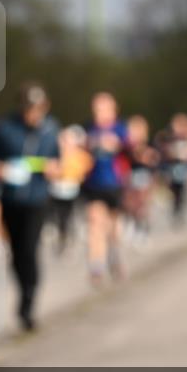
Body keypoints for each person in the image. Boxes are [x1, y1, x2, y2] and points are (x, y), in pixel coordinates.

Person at [0, 82, 60, 331]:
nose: (33, 114)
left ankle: (28, 302)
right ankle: (23, 291)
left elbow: (59, 162)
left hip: (38, 199)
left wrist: (53, 168)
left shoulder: (51, 130)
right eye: (29, 108)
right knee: (17, 253)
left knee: (30, 249)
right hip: (11, 198)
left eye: (38, 109)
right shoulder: (5, 127)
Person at [80, 92, 128, 285]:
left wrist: (117, 145)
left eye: (104, 108)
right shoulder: (87, 129)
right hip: (93, 183)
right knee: (95, 222)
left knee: (113, 227)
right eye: (97, 108)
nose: (99, 112)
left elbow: (131, 150)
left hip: (115, 183)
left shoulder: (121, 129)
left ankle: (115, 256)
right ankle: (96, 266)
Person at [47, 125, 92, 254]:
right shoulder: (56, 154)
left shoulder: (81, 156)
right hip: (56, 190)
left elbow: (84, 171)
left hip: (72, 191)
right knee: (56, 215)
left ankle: (67, 237)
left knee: (66, 217)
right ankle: (59, 234)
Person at [155, 113, 187, 228]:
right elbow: (160, 157)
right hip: (171, 170)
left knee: (183, 192)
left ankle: (180, 210)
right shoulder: (166, 139)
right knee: (174, 190)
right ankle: (175, 209)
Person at [122, 115, 159, 247]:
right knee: (130, 204)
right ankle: (131, 225)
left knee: (143, 205)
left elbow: (154, 160)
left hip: (145, 176)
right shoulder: (126, 146)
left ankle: (143, 231)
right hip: (130, 176)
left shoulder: (150, 144)